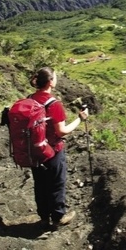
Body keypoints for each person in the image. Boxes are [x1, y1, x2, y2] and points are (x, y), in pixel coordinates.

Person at [28, 66, 88, 230]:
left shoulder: (30, 99)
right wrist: (80, 119)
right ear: (50, 82)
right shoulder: (54, 104)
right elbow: (62, 131)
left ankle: (43, 217)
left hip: (34, 151)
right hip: (52, 150)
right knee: (56, 184)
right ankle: (58, 217)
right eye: (55, 77)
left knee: (40, 184)